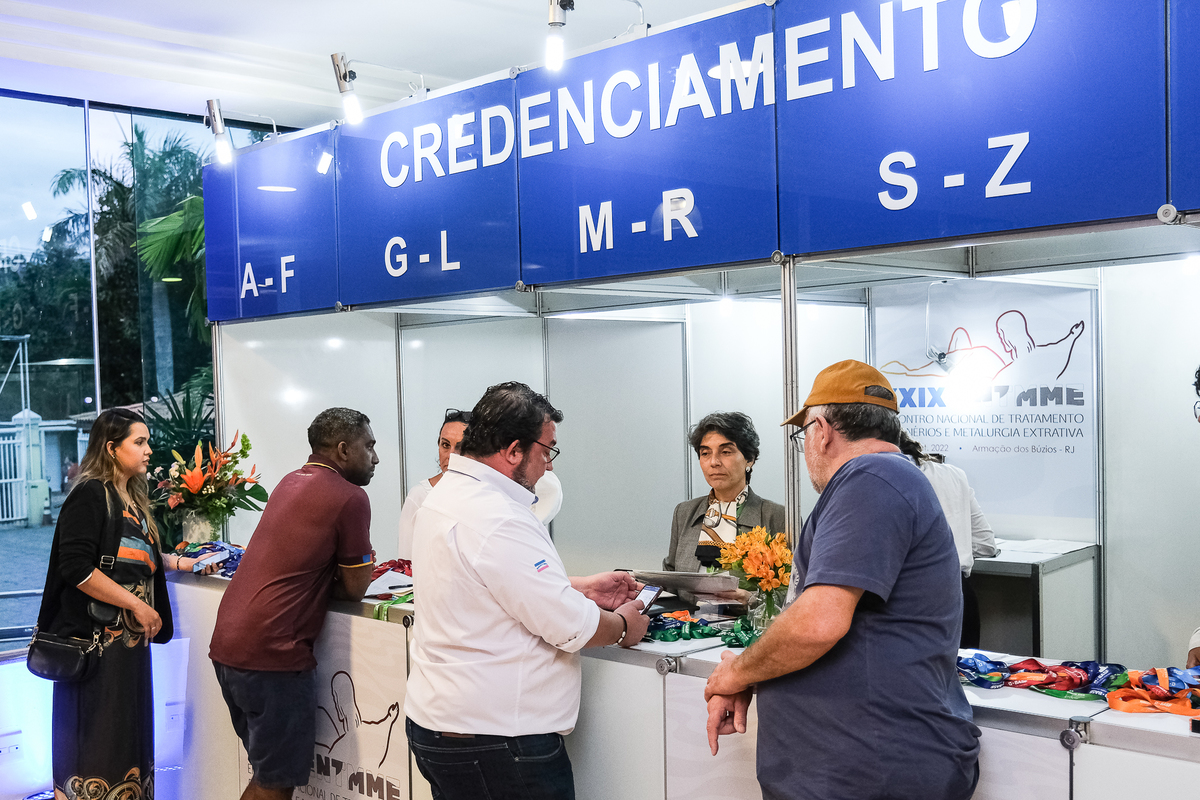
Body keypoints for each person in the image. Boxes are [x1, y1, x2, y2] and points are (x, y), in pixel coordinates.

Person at [704, 360, 980, 800]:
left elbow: (818, 623)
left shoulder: (872, 478)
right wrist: (755, 675)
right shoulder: (883, 480)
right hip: (854, 767)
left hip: (869, 768)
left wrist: (737, 672)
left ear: (822, 429)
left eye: (803, 437)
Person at [405, 381, 651, 800]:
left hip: (441, 728)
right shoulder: (498, 514)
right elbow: (569, 627)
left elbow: (479, 585)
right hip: (500, 741)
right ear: (514, 450)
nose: (549, 467)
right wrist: (624, 624)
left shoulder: (448, 495)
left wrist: (578, 586)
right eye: (546, 451)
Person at [37, 408, 216, 800]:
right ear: (112, 448)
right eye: (140, 442)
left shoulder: (129, 497)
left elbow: (136, 558)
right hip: (97, 644)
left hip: (127, 650)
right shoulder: (90, 494)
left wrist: (183, 562)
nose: (149, 450)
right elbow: (77, 568)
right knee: (98, 736)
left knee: (126, 733)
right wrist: (137, 606)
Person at [209, 407, 378, 800]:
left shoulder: (290, 481)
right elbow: (355, 588)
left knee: (267, 775)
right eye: (368, 446)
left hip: (230, 648)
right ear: (342, 450)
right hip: (273, 657)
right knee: (274, 784)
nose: (375, 456)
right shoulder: (350, 497)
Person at [399, 408, 565, 558]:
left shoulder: (494, 497)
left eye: (460, 446)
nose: (451, 455)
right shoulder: (420, 496)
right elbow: (405, 561)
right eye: (445, 445)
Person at [898, 430, 998, 649]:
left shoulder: (889, 479)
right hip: (961, 593)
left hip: (914, 601)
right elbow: (986, 544)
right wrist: (958, 544)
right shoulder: (953, 474)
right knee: (966, 677)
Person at [664, 411, 785, 572]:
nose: (714, 462)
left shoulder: (778, 517)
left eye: (726, 452)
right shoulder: (684, 513)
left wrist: (750, 598)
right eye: (705, 453)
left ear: (750, 459)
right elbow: (670, 577)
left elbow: (794, 586)